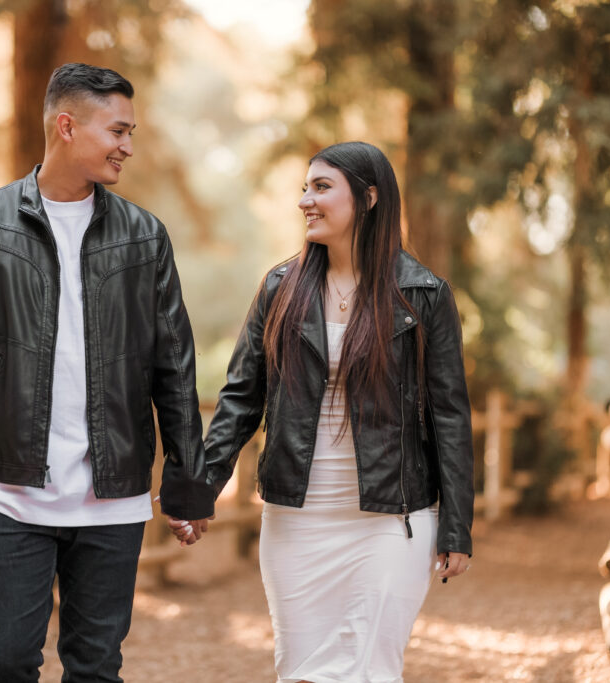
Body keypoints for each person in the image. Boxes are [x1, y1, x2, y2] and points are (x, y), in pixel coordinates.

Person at [0, 62, 214, 682]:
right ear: (67, 125)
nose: (128, 146)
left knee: (96, 668)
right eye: (118, 131)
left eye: (132, 132)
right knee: (6, 663)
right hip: (9, 495)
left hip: (113, 499)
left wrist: (188, 483)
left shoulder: (145, 237)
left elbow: (175, 369)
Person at [193, 141, 474, 682]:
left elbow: (449, 416)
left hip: (392, 522)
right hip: (296, 520)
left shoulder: (424, 294)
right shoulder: (280, 288)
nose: (305, 200)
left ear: (368, 199)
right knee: (300, 671)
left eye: (322, 187)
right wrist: (203, 485)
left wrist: (457, 525)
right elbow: (241, 399)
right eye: (305, 187)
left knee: (368, 669)